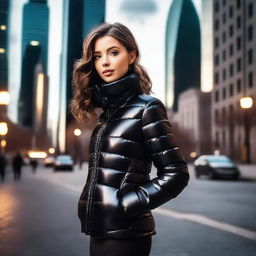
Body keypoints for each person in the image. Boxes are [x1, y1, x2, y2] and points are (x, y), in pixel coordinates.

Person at [71, 23, 189, 256]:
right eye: (97, 56)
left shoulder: (147, 107)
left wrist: (126, 205)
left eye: (113, 52)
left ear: (131, 55)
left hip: (126, 234)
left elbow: (176, 173)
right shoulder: (108, 113)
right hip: (100, 229)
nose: (104, 61)